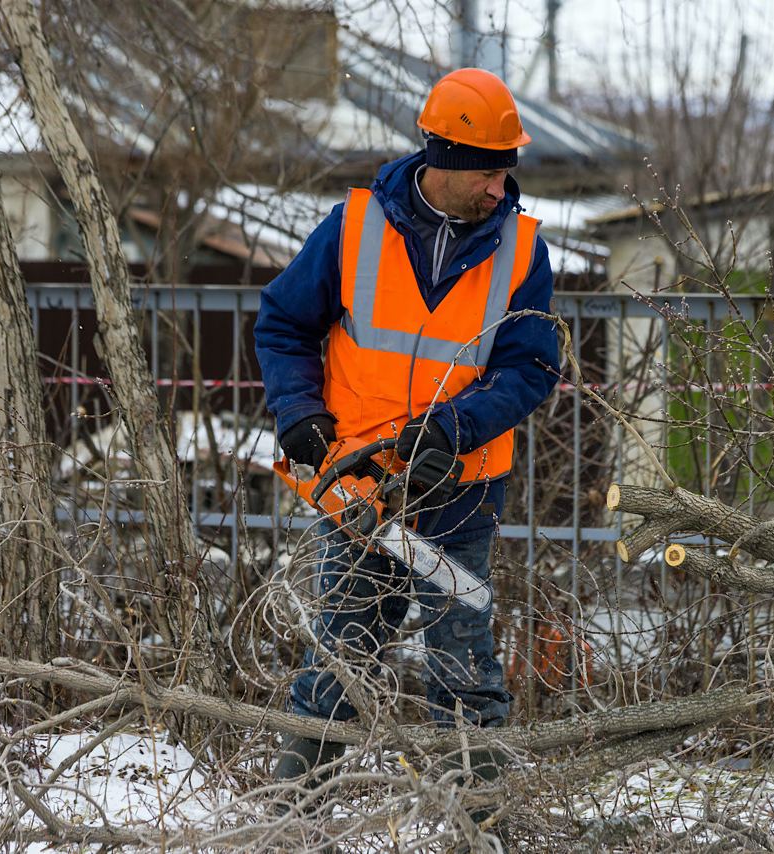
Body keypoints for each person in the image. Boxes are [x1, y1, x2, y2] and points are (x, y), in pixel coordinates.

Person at [254, 68, 559, 806]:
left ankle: (477, 820)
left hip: (461, 488)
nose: (500, 188)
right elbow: (283, 324)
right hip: (359, 491)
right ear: (446, 160)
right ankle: (296, 819)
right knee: (341, 657)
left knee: (463, 662)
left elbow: (531, 367)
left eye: (505, 171)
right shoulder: (352, 229)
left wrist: (458, 427)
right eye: (489, 170)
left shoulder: (522, 251)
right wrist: (297, 410)